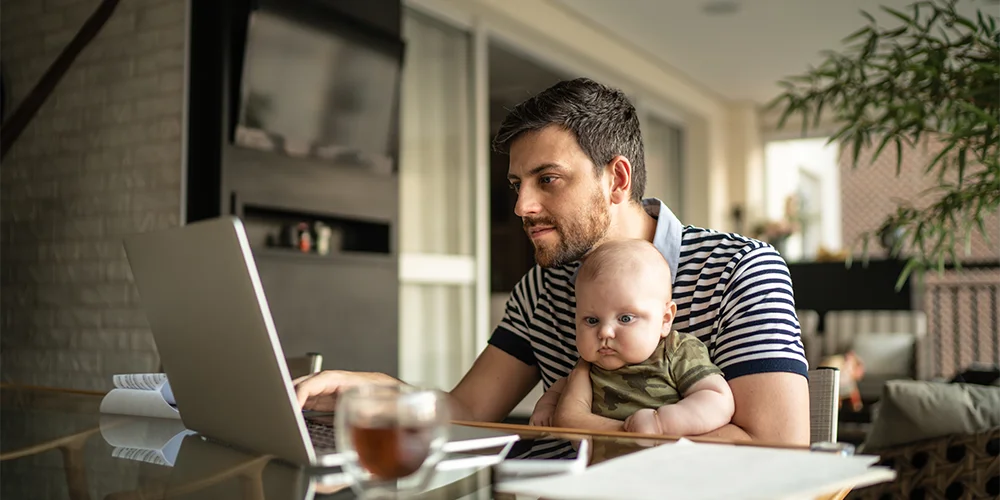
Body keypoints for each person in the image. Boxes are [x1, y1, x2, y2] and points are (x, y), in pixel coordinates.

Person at [294, 77, 810, 445]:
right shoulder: (540, 291)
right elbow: (469, 411)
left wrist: (604, 431)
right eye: (518, 185)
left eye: (549, 179)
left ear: (617, 180)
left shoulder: (739, 268)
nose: (522, 206)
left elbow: (781, 448)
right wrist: (378, 391)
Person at [529, 239, 734, 436]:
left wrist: (662, 422)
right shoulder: (590, 366)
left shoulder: (676, 351)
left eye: (625, 318)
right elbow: (560, 388)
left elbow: (717, 398)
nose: (605, 332)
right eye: (591, 320)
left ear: (665, 319)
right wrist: (546, 407)